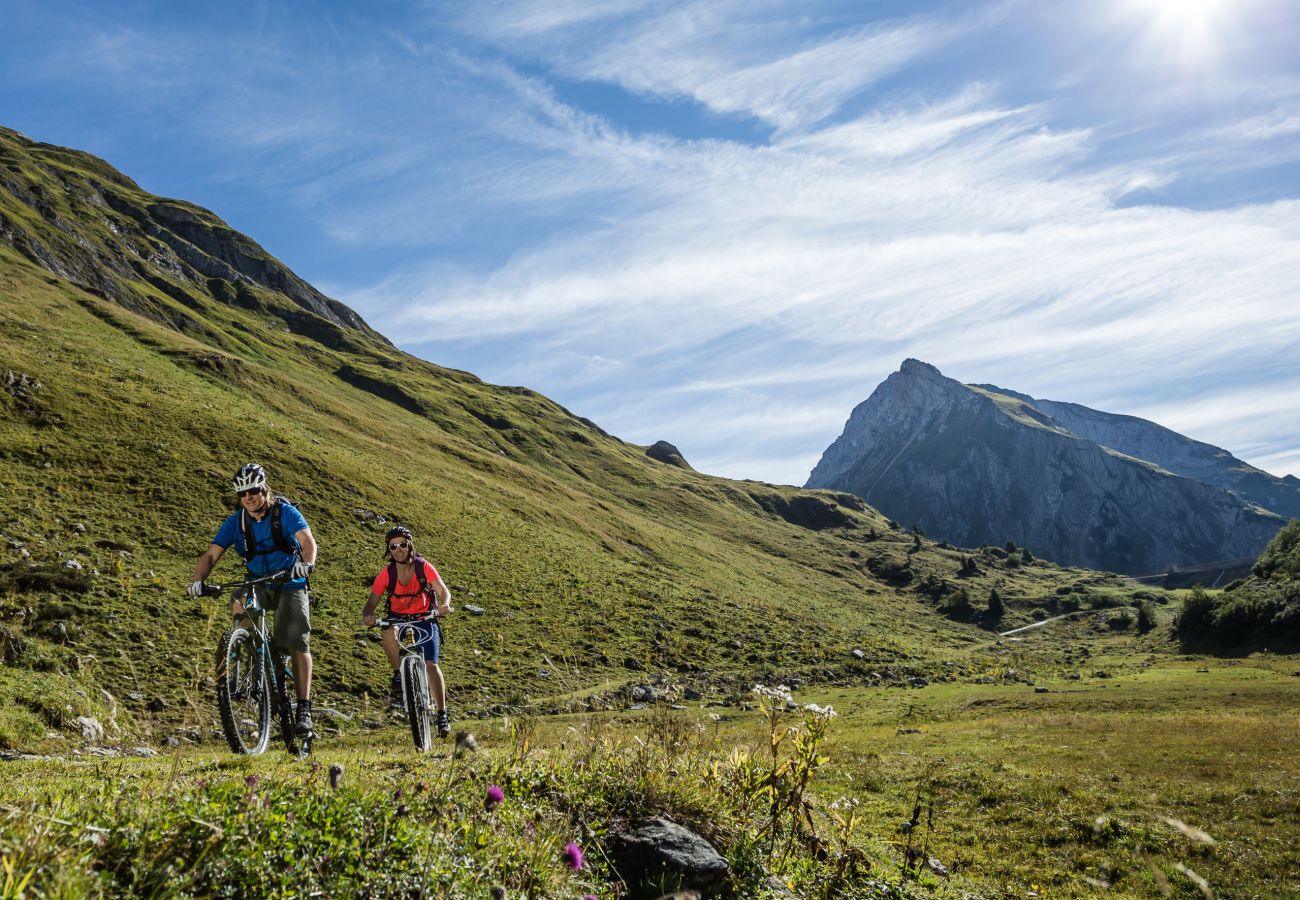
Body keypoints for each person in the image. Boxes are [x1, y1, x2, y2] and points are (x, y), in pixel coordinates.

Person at [188, 463, 319, 737]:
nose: (248, 497)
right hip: (256, 582)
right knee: (239, 602)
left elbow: (307, 541)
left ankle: (304, 708)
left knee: (296, 641)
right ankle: (247, 647)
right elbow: (211, 554)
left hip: (289, 581)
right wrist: (198, 581)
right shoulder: (236, 522)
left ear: (264, 489)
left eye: (253, 490)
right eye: (242, 493)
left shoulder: (285, 513)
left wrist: (306, 564)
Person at [361, 525, 453, 738]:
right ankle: (397, 673)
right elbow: (370, 604)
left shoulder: (423, 567)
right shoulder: (387, 574)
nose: (398, 549)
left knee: (431, 664)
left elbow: (443, 591)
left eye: (402, 544)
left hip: (425, 617)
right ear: (389, 550)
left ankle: (442, 713)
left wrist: (444, 606)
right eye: (393, 547)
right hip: (398, 619)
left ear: (410, 545)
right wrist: (368, 616)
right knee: (387, 631)